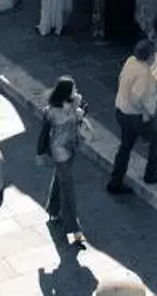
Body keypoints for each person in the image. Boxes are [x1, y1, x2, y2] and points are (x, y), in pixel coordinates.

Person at [106, 38, 157, 192]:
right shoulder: (146, 73)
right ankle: (151, 173)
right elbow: (137, 96)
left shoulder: (130, 61)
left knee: (125, 147)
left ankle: (115, 181)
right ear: (148, 56)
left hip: (121, 111)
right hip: (136, 116)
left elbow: (121, 79)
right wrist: (148, 112)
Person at [36, 76, 89, 249]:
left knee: (60, 179)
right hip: (60, 153)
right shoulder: (51, 112)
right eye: (73, 89)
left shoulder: (75, 104)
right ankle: (75, 230)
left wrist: (80, 111)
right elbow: (44, 134)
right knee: (69, 191)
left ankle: (52, 209)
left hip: (72, 149)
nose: (76, 91)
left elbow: (79, 119)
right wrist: (40, 152)